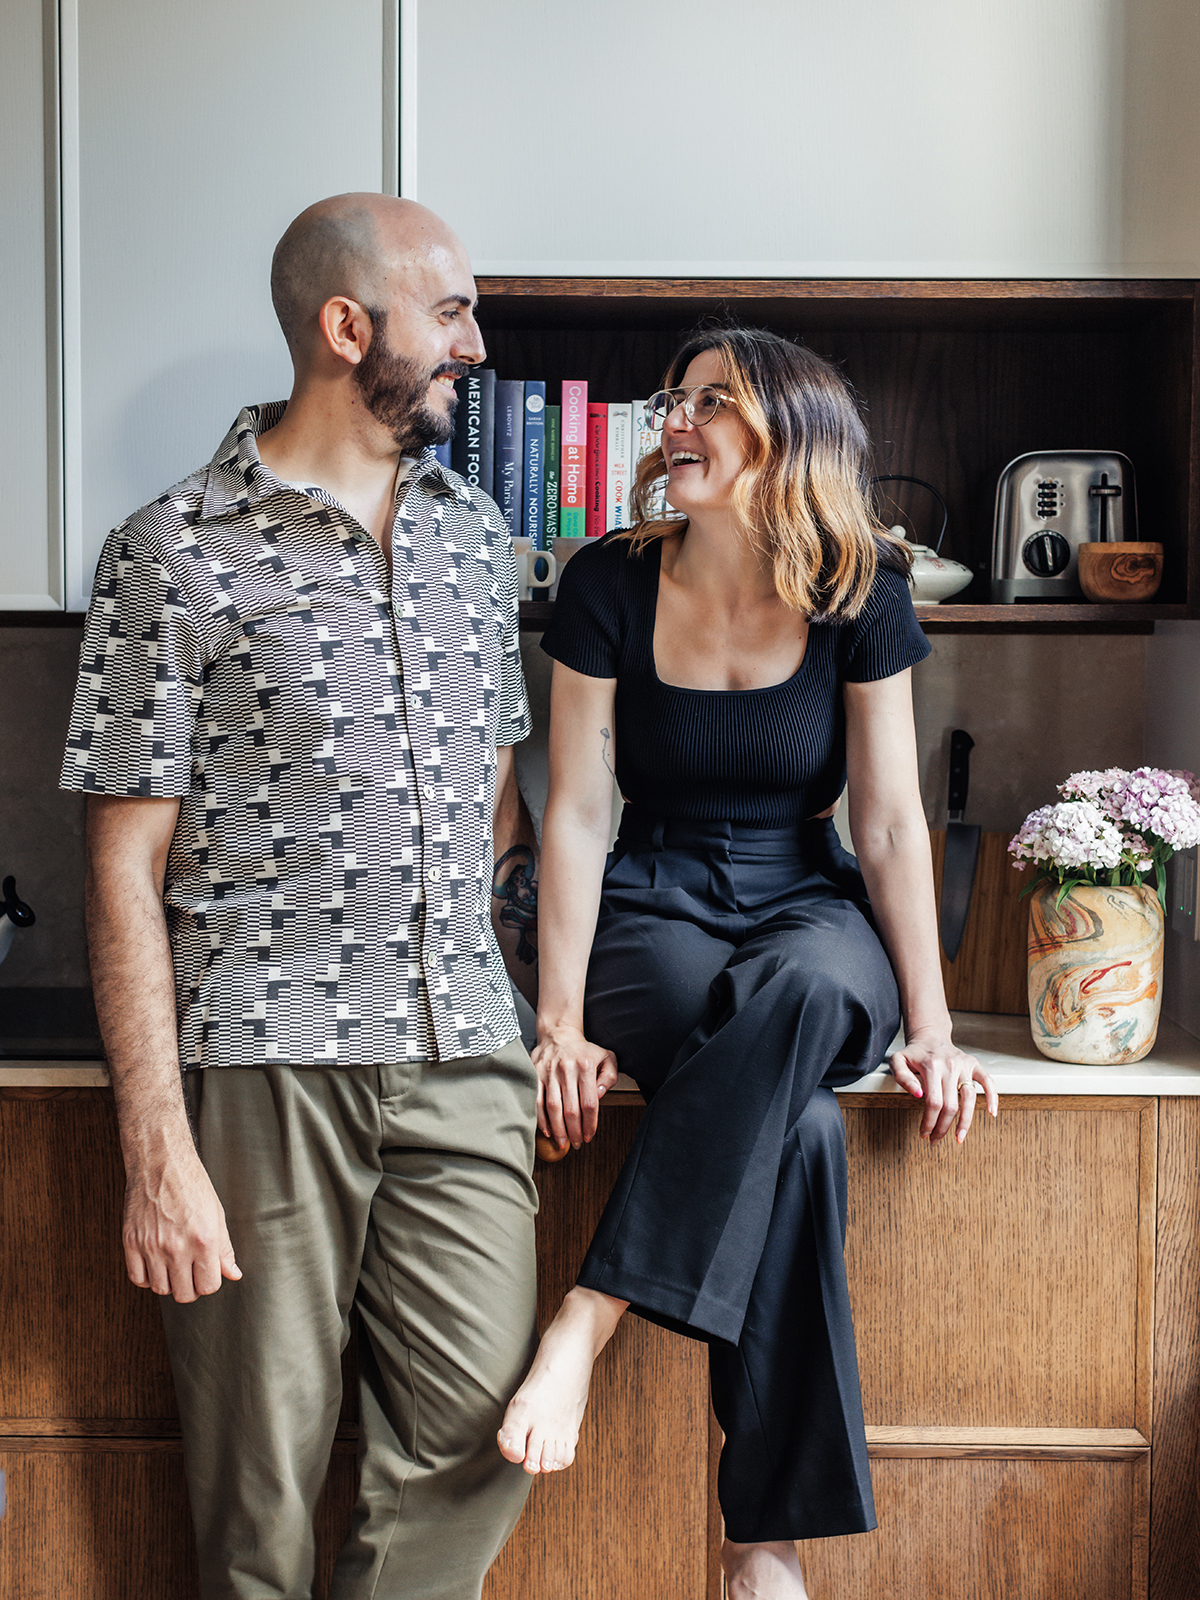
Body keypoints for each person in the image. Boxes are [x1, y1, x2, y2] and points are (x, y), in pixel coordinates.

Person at [61, 194, 542, 1600]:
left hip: (464, 1058)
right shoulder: (174, 552)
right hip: (264, 1068)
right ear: (348, 327)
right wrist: (158, 1150)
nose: (475, 339)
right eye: (449, 309)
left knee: (479, 1439)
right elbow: (118, 869)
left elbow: (499, 804)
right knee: (259, 1494)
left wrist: (542, 1008)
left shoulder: (476, 541)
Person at [497, 326, 999, 1600]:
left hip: (803, 897)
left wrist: (931, 1026)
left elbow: (886, 823)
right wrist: (558, 1018)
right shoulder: (609, 580)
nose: (678, 419)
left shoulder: (861, 585)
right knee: (805, 1135)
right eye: (679, 395)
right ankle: (760, 1550)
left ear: (792, 433)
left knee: (818, 989)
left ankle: (589, 1315)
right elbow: (575, 809)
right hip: (650, 899)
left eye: (713, 401)